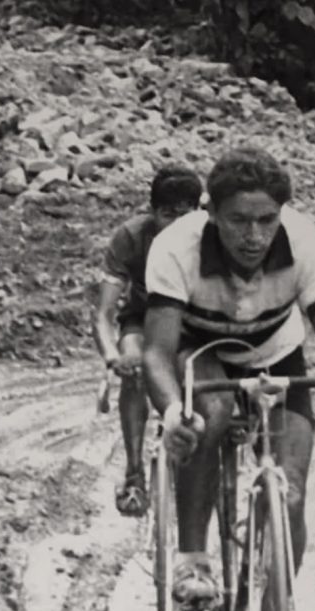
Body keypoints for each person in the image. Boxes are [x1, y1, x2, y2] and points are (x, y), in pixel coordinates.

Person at [143, 147, 315, 602]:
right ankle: (193, 561)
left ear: (282, 214)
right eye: (238, 221)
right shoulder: (175, 248)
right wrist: (173, 411)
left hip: (276, 352)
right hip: (201, 351)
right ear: (211, 214)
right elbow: (157, 352)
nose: (254, 236)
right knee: (208, 411)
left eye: (267, 220)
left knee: (289, 494)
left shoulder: (305, 241)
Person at [93, 165, 203, 517]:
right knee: (134, 366)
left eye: (185, 214)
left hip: (197, 322)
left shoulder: (212, 236)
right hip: (143, 319)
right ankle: (134, 473)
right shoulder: (130, 237)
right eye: (167, 214)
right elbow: (104, 313)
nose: (176, 223)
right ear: (152, 211)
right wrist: (113, 356)